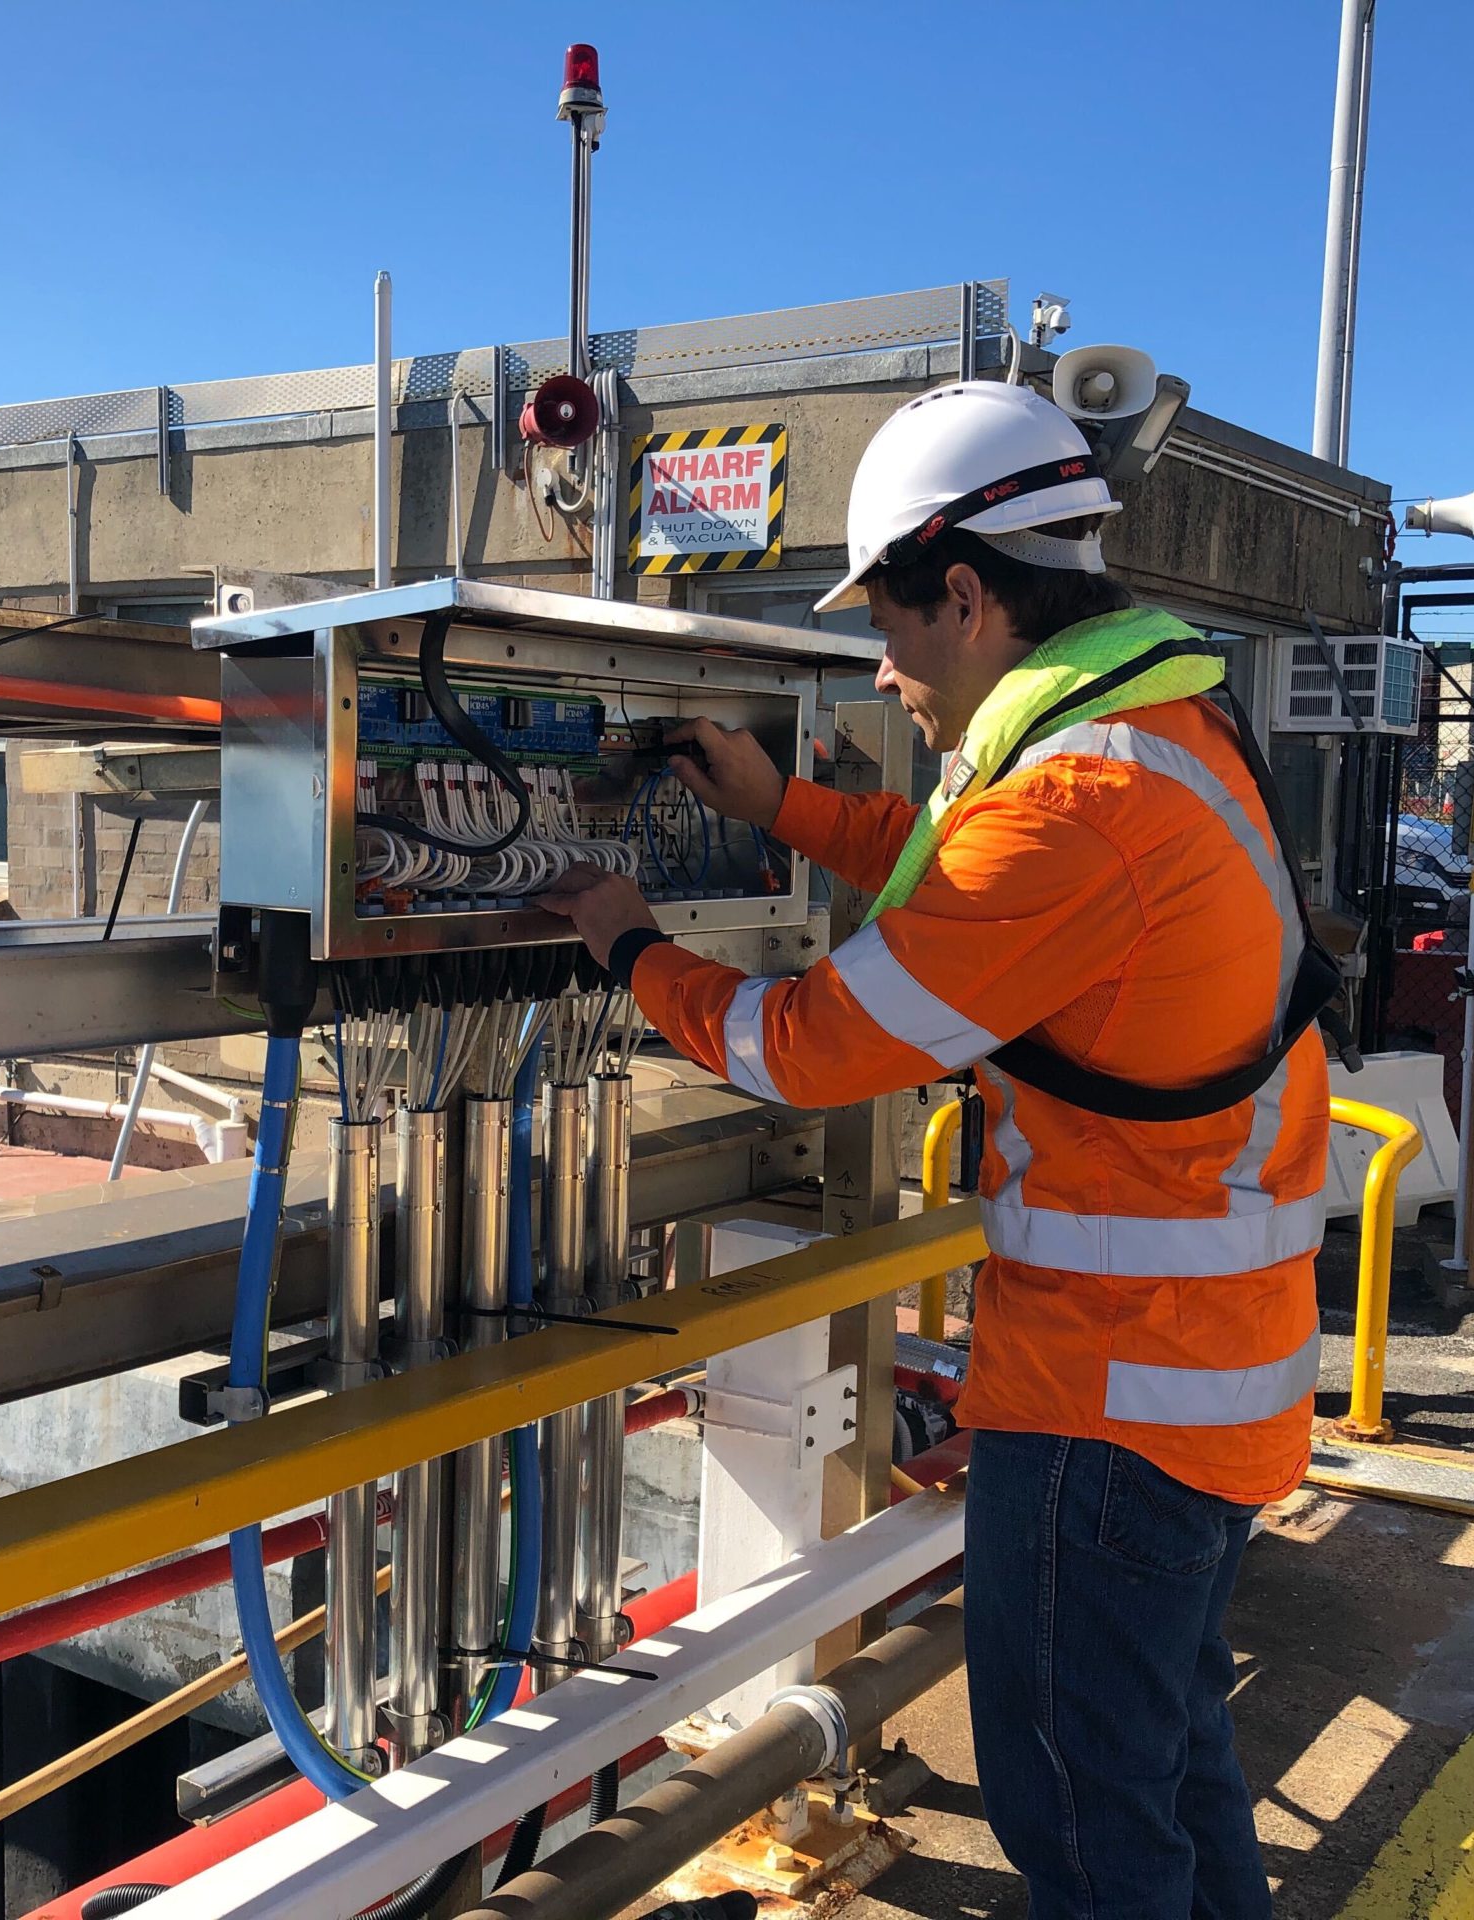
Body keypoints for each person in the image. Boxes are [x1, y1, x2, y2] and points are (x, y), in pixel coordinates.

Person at [538, 379, 1332, 1919]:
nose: (884, 665)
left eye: (891, 625)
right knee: (1169, 1764)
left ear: (964, 593)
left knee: (1091, 1823)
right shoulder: (1156, 731)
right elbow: (981, 910)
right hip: (1208, 1376)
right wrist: (789, 812)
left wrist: (631, 949)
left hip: (1118, 1406)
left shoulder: (1083, 793)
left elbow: (819, 1045)